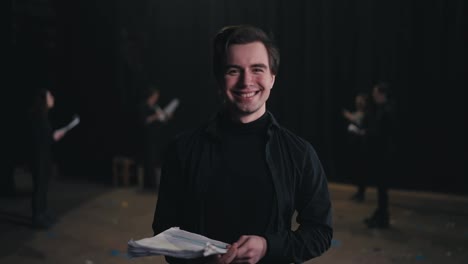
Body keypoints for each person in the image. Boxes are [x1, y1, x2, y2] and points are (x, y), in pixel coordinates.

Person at [152, 25, 333, 264]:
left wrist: (269, 247)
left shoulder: (299, 153)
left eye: (257, 69)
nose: (246, 81)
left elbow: (320, 232)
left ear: (272, 78)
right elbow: (165, 230)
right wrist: (203, 259)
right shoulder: (182, 150)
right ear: (219, 79)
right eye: (234, 70)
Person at [28, 89, 66, 229]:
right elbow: (40, 138)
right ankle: (37, 216)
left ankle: (43, 212)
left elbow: (45, 137)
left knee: (43, 185)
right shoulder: (38, 116)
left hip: (44, 156)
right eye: (50, 96)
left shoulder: (43, 115)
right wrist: (53, 137)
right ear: (44, 100)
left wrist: (53, 136)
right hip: (38, 158)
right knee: (39, 187)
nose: (53, 98)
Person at [363, 82, 397, 229]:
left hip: (384, 154)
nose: (373, 96)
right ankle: (381, 214)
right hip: (381, 153)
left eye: (375, 94)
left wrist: (368, 133)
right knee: (381, 187)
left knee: (383, 187)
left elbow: (382, 133)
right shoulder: (383, 109)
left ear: (382, 94)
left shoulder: (387, 110)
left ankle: (383, 218)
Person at [138, 87, 171, 190]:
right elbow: (145, 121)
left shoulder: (155, 106)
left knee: (155, 160)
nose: (157, 98)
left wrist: (166, 116)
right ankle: (149, 185)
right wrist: (156, 116)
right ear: (151, 95)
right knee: (149, 160)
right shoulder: (143, 106)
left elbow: (162, 120)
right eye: (155, 96)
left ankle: (154, 184)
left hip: (157, 137)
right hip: (147, 137)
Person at [342, 93, 369, 202]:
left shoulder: (366, 113)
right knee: (357, 169)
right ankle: (359, 192)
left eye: (360, 101)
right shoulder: (359, 112)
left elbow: (360, 121)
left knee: (362, 170)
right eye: (357, 101)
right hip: (356, 145)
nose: (358, 103)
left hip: (363, 146)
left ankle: (361, 193)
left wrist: (350, 117)